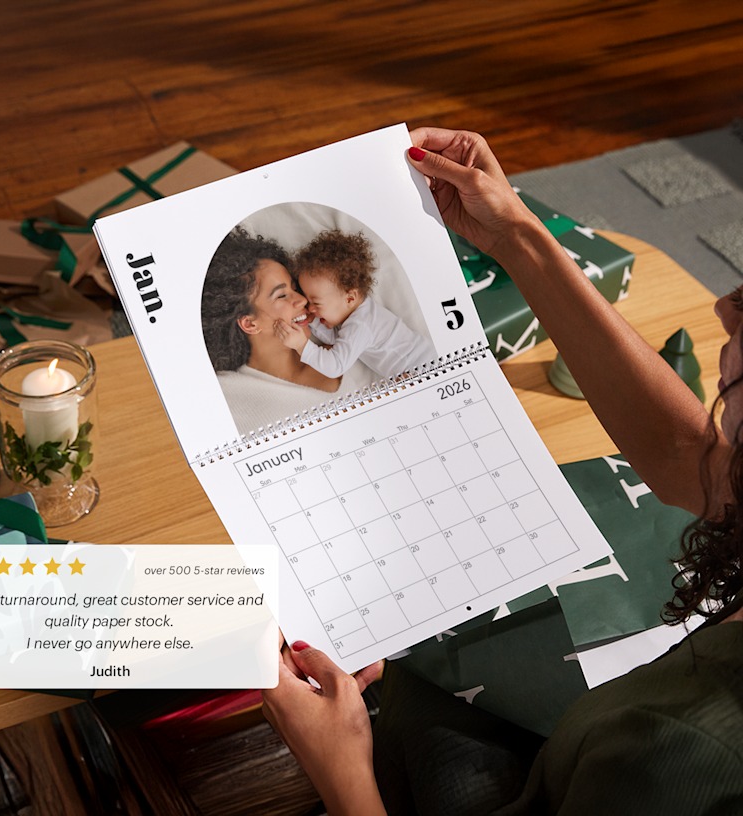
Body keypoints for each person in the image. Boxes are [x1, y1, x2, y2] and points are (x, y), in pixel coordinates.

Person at [261, 128, 743, 815]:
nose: (725, 306)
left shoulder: (675, 754)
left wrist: (338, 768)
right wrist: (516, 232)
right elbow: (685, 462)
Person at [201, 227, 375, 433]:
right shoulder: (226, 395)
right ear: (249, 324)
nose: (301, 299)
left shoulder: (347, 342)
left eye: (294, 288)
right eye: (282, 295)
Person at [274, 230, 435, 378]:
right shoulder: (359, 313)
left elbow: (335, 365)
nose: (310, 308)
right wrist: (314, 320)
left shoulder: (361, 324)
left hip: (423, 368)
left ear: (350, 298)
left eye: (316, 303)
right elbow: (338, 341)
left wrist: (301, 345)